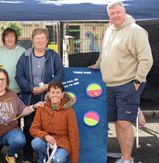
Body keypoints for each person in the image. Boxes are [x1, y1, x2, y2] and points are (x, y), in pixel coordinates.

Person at [88, 1, 153, 163]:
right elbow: (105, 53)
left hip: (128, 83)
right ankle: (125, 157)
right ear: (108, 15)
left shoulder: (136, 31)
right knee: (117, 121)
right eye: (112, 13)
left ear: (124, 12)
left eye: (118, 12)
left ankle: (127, 159)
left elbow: (146, 59)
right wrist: (97, 65)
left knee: (124, 122)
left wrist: (137, 81)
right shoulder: (110, 29)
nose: (115, 15)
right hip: (110, 84)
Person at [15, 28, 64, 162]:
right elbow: (19, 76)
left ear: (47, 41)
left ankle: (48, 153)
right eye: (37, 38)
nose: (40, 41)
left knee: (48, 124)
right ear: (32, 40)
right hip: (30, 96)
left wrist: (49, 86)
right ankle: (28, 154)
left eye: (42, 38)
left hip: (48, 97)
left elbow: (60, 73)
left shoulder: (53, 56)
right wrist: (31, 88)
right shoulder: (25, 56)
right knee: (29, 125)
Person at [30, 80, 79, 163]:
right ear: (48, 94)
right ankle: (42, 160)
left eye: (58, 92)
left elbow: (74, 136)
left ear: (62, 95)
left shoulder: (69, 111)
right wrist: (45, 136)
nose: (55, 95)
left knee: (57, 159)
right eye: (53, 92)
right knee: (36, 142)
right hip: (47, 141)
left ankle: (60, 159)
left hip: (62, 144)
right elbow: (33, 129)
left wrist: (74, 161)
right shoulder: (41, 108)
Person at [0, 27, 25, 93]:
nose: (10, 39)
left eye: (12, 36)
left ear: (16, 38)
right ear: (4, 39)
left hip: (18, 89)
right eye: (7, 36)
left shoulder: (22, 51)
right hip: (1, 88)